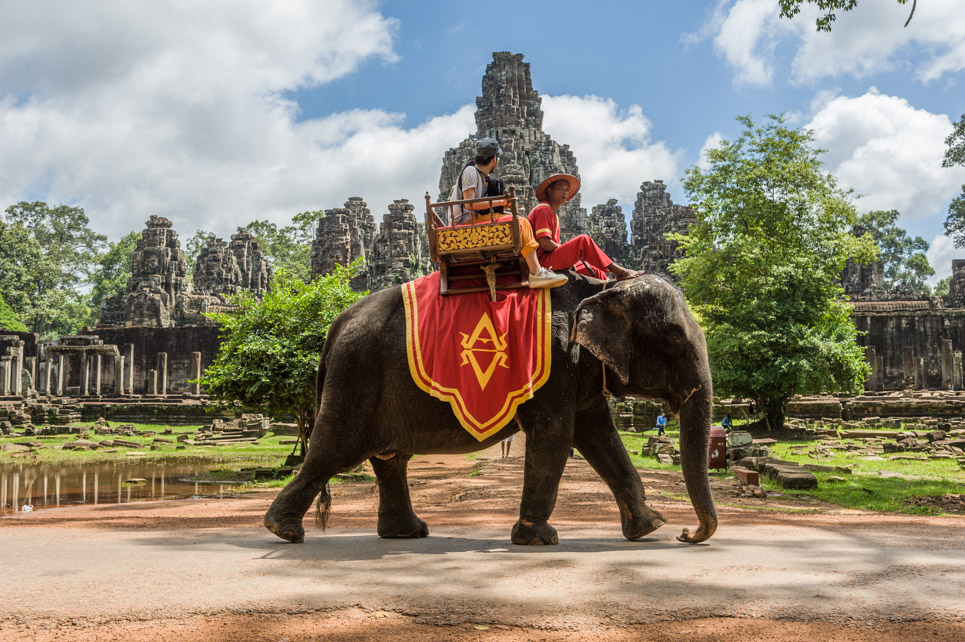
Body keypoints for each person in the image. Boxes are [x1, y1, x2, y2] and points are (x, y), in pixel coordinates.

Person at [450, 138, 566, 289]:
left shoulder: (481, 176)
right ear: (494, 159)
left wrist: (505, 207)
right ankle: (536, 272)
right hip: (465, 223)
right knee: (520, 222)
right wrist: (501, 202)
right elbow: (469, 204)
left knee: (517, 219)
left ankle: (530, 267)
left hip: (475, 219)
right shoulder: (471, 171)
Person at [528, 174, 641, 280]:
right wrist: (569, 254)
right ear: (549, 191)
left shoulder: (553, 214)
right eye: (560, 188)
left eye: (566, 189)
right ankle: (619, 272)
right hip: (540, 262)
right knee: (583, 240)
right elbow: (545, 243)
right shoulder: (543, 209)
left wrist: (570, 256)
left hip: (550, 259)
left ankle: (607, 285)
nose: (565, 192)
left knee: (593, 269)